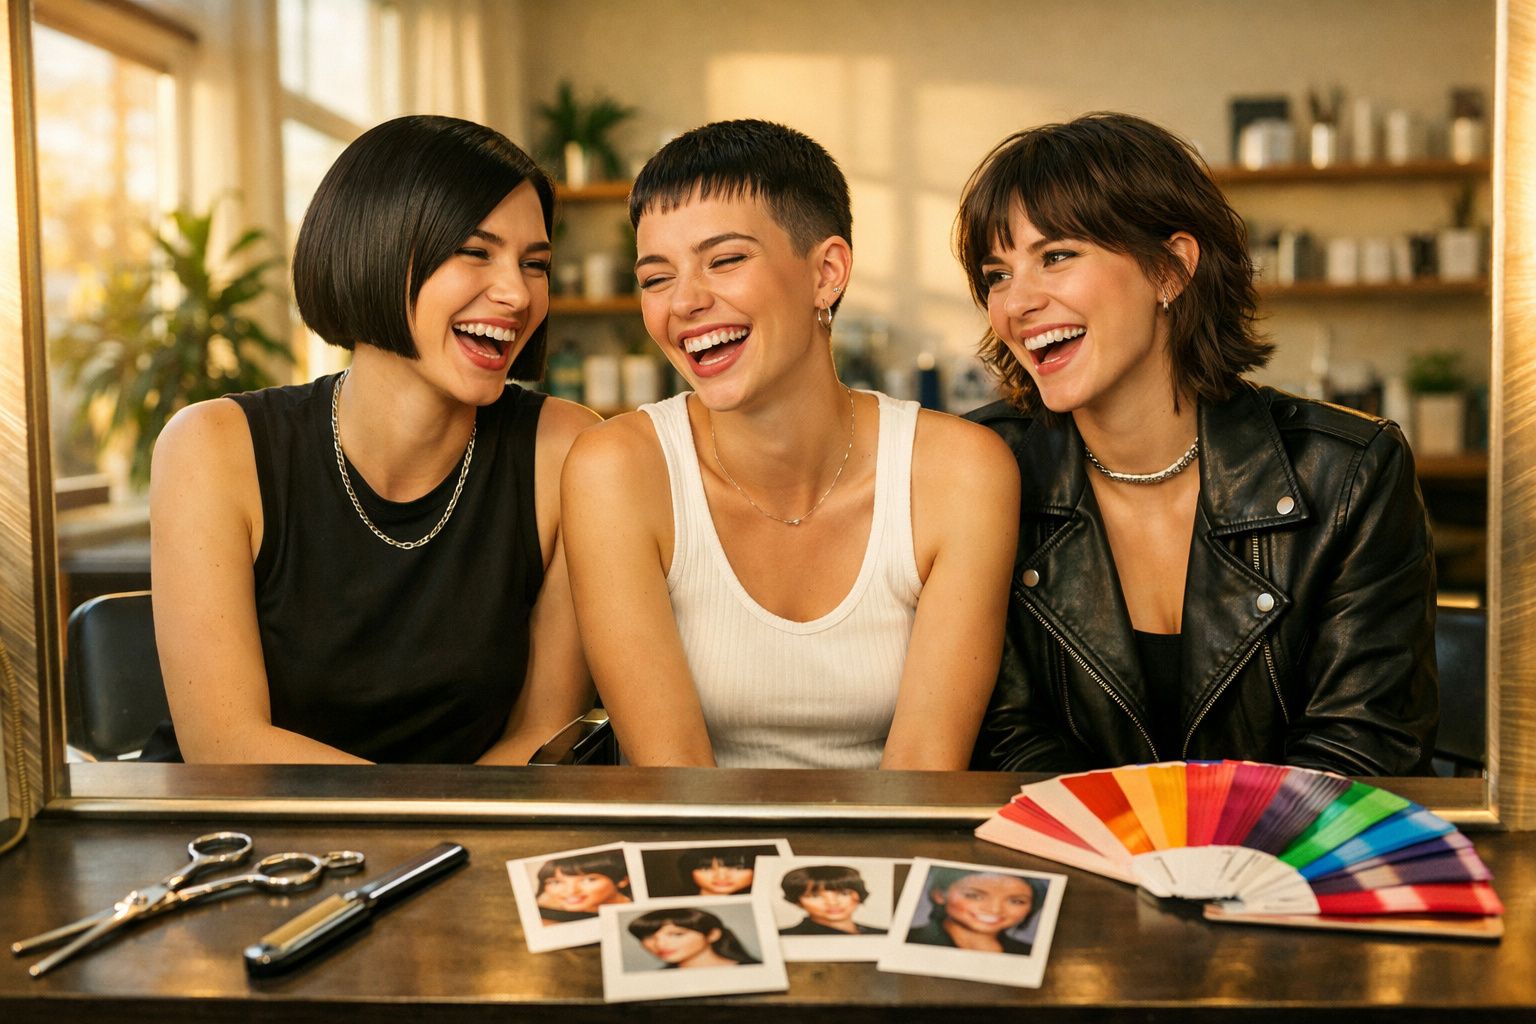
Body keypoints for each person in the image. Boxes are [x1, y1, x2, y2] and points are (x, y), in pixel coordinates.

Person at [957, 112, 1438, 775]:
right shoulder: (980, 466)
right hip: (1068, 865)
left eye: (1056, 256)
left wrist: (1201, 864)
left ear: (1171, 270)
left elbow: (1360, 753)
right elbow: (1006, 744)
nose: (1016, 304)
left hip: (1291, 867)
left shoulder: (1350, 471)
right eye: (996, 275)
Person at [561, 119, 1019, 769]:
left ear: (826, 272)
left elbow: (924, 774)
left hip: (897, 855)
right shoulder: (619, 470)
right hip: (698, 858)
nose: (685, 301)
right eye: (656, 277)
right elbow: (671, 776)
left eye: (725, 260)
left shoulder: (960, 472)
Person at [149, 114, 599, 763]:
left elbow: (542, 736)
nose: (517, 293)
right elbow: (225, 745)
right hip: (243, 838)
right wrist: (428, 834)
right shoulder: (213, 447)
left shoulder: (568, 449)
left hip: (464, 843)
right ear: (376, 251)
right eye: (475, 252)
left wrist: (448, 853)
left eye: (535, 263)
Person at [905, 868, 1042, 955]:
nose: (995, 910)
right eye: (974, 896)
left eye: (1016, 901)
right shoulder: (910, 941)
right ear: (940, 895)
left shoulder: (1028, 953)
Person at [628, 908, 760, 969]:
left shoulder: (754, 970)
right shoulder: (654, 980)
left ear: (712, 935)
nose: (660, 944)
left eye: (677, 934)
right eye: (649, 937)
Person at [779, 864, 886, 936]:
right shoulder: (786, 936)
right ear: (798, 901)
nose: (832, 902)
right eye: (815, 896)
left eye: (844, 893)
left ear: (859, 894)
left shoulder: (884, 934)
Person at [534, 851, 632, 924]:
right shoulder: (544, 916)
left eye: (589, 880)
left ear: (622, 880)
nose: (571, 891)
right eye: (556, 882)